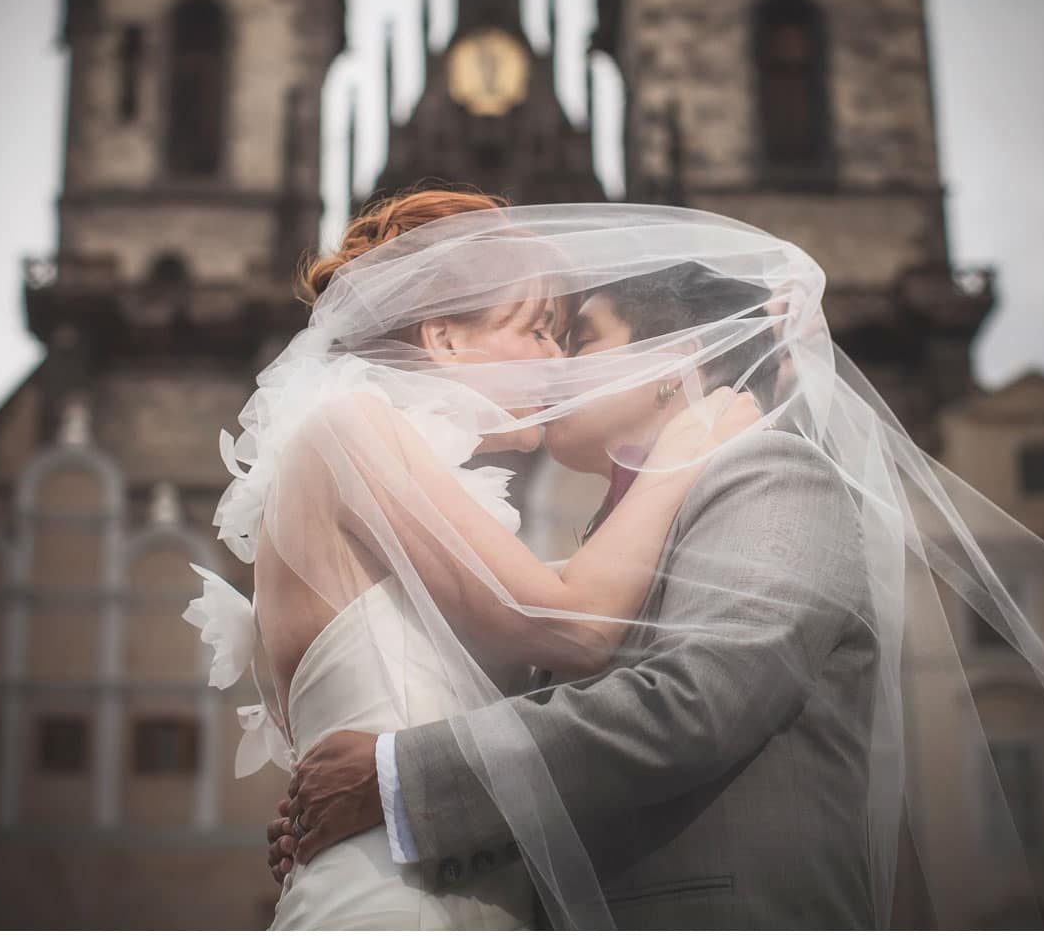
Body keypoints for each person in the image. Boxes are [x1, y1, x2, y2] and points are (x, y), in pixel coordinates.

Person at [233, 200, 1044, 930]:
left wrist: (394, 776)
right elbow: (568, 655)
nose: (554, 363)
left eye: (576, 335)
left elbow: (682, 704)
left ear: (681, 358)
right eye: (541, 329)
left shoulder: (771, 480)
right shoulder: (436, 468)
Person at [183, 189, 758, 930]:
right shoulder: (350, 427)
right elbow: (573, 623)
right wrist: (679, 452)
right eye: (541, 330)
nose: (560, 360)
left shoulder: (410, 473)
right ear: (445, 339)